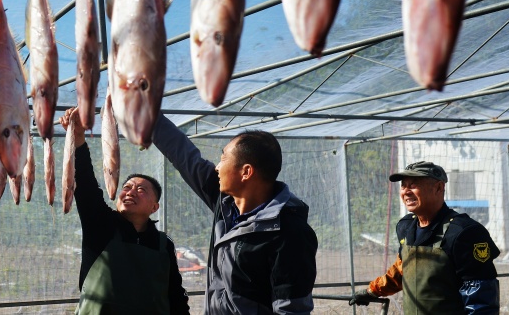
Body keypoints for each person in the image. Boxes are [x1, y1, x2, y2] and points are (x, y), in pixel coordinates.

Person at [151, 114, 318, 314]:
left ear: (246, 172)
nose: (217, 167)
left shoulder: (290, 232)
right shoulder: (225, 204)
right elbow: (185, 156)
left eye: (223, 159)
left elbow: (291, 310)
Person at [60, 107, 189, 315]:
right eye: (127, 187)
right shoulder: (101, 226)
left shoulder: (163, 244)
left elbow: (175, 294)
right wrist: (78, 141)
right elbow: (86, 186)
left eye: (141, 190)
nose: (131, 192)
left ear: (155, 207)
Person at [349, 161, 500, 314]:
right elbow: (402, 270)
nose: (406, 191)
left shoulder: (464, 232)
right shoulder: (406, 227)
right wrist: (373, 291)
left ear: (439, 188)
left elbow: (481, 298)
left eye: (413, 185)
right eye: (403, 185)